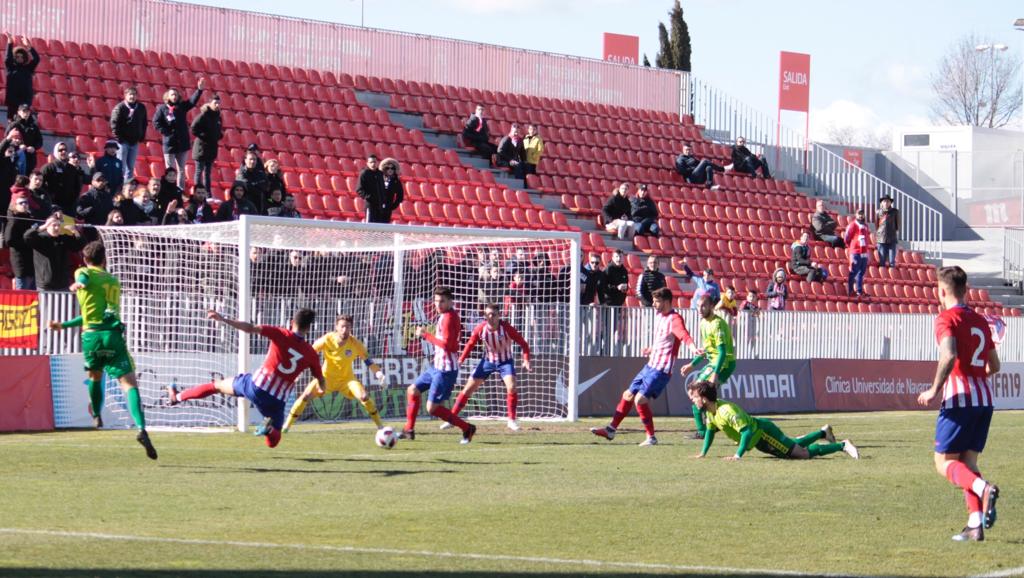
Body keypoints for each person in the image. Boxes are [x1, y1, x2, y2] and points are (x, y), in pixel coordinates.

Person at [46, 242, 158, 459]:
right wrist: (64, 324)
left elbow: (83, 281)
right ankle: (141, 428)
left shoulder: (84, 271)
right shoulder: (113, 280)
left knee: (95, 376)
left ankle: (96, 415)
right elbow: (100, 311)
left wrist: (77, 284)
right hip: (113, 335)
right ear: (104, 260)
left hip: (91, 337)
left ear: (85, 259)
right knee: (129, 384)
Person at [916, 266, 1001, 542]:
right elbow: (994, 366)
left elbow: (949, 355)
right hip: (984, 401)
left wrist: (933, 389)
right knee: (968, 461)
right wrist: (978, 376)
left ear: (941, 291)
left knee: (943, 462)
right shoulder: (979, 321)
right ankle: (975, 524)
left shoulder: (945, 318)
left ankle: (984, 489)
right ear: (966, 290)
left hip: (959, 401)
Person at [168, 308, 325, 448]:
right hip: (276, 400)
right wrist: (320, 389)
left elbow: (250, 328)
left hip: (255, 387)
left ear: (292, 322)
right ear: (309, 328)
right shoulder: (311, 354)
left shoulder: (280, 333)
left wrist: (223, 319)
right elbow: (320, 380)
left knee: (216, 386)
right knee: (274, 441)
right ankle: (269, 429)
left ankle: (177, 397)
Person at [591, 287, 695, 446]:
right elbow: (664, 340)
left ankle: (651, 437)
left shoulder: (675, 319)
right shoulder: (660, 315)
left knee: (640, 399)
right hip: (650, 366)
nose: (653, 304)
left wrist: (693, 348)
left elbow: (683, 335)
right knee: (628, 395)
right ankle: (611, 430)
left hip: (661, 369)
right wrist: (652, 349)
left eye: (656, 301)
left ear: (666, 301)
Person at [688, 380, 858, 460]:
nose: (693, 400)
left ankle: (842, 445)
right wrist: (703, 453)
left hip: (764, 434)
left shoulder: (726, 411)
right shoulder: (711, 411)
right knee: (793, 444)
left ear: (704, 398)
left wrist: (737, 455)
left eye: (695, 397)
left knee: (801, 454)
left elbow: (746, 431)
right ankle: (823, 432)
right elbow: (710, 431)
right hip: (759, 440)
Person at [283, 314, 387, 432]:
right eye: (342, 326)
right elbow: (309, 353)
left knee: (364, 397)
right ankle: (286, 426)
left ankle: (380, 427)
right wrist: (298, 370)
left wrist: (379, 374)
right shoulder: (327, 339)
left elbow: (368, 361)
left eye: (348, 327)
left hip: (347, 380)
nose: (345, 330)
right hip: (325, 379)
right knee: (305, 396)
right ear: (336, 327)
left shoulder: (355, 344)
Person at [400, 287, 476, 443]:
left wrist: (425, 334)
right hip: (437, 366)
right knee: (412, 390)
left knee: (432, 408)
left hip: (445, 370)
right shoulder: (446, 315)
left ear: (450, 302)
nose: (438, 304)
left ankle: (467, 428)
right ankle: (408, 430)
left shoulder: (448, 318)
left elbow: (448, 346)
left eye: (442, 301)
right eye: (436, 301)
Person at [444, 303, 530, 432]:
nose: (490, 317)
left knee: (511, 386)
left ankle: (511, 420)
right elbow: (470, 344)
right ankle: (451, 418)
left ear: (499, 315)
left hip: (505, 362)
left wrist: (526, 359)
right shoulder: (481, 329)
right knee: (468, 388)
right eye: (487, 314)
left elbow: (523, 344)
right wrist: (461, 359)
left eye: (493, 315)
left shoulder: (506, 328)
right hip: (487, 361)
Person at [680, 293, 738, 438]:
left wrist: (715, 373)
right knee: (703, 398)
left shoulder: (717, 324)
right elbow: (708, 350)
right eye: (698, 306)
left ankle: (704, 431)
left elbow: (722, 352)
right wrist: (692, 365)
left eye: (703, 306)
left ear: (712, 306)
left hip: (724, 364)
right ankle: (714, 425)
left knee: (696, 394)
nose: (700, 309)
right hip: (714, 363)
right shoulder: (703, 323)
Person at [152, 76, 205, 188]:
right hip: (169, 143)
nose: (174, 96)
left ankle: (180, 190)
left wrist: (199, 90)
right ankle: (168, 188)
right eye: (172, 94)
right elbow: (156, 122)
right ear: (168, 96)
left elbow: (191, 102)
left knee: (181, 170)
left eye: (176, 94)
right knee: (170, 169)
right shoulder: (162, 109)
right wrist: (166, 132)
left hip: (182, 143)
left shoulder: (181, 107)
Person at [24, 214, 84, 291]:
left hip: (63, 283)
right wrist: (43, 226)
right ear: (47, 226)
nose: (57, 228)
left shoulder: (63, 238)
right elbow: (27, 236)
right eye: (54, 225)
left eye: (59, 225)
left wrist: (75, 231)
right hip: (45, 284)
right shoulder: (40, 238)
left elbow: (79, 245)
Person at [110, 86, 148, 185]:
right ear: (125, 96)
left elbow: (144, 123)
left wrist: (141, 136)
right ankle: (118, 186)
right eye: (130, 94)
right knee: (120, 166)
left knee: (130, 167)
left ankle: (127, 187)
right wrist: (119, 138)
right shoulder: (120, 107)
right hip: (123, 142)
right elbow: (114, 123)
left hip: (134, 142)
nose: (132, 96)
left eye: (134, 94)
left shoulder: (141, 107)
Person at [190, 94, 223, 192]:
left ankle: (207, 194)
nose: (217, 105)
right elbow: (193, 128)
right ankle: (197, 192)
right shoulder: (203, 115)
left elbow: (218, 130)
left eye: (219, 103)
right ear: (210, 103)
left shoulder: (218, 117)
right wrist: (204, 136)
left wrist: (219, 135)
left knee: (208, 173)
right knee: (199, 171)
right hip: (201, 148)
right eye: (215, 103)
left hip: (212, 149)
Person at [40, 142, 82, 215]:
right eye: (60, 150)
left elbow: (77, 187)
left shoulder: (72, 169)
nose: (64, 151)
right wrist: (49, 197)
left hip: (69, 207)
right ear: (56, 152)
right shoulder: (48, 167)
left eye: (65, 149)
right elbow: (40, 184)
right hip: (53, 205)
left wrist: (73, 200)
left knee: (68, 226)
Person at [4, 36, 40, 121]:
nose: (20, 58)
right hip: (12, 101)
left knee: (24, 123)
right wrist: (10, 43)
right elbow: (7, 58)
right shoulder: (11, 67)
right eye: (17, 56)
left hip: (25, 101)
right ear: (14, 57)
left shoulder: (28, 68)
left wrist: (29, 47)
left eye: (22, 57)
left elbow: (36, 59)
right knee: (12, 123)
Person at [4, 196, 35, 289]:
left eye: (26, 202)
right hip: (20, 260)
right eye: (21, 203)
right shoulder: (14, 220)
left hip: (32, 261)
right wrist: (27, 242)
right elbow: (9, 240)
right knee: (22, 293)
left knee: (33, 297)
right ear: (15, 206)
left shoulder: (30, 218)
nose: (24, 204)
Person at [845, 208, 871, 298]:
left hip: (864, 252)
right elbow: (846, 237)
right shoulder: (852, 225)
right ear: (856, 215)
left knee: (861, 273)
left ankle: (859, 291)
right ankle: (851, 291)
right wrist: (852, 246)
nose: (861, 215)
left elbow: (867, 238)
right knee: (853, 271)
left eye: (862, 214)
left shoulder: (866, 226)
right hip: (855, 252)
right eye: (859, 214)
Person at [368, 157, 403, 224]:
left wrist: (392, 206)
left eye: (392, 168)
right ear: (384, 169)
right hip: (375, 207)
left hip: (387, 209)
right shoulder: (377, 179)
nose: (390, 170)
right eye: (387, 168)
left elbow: (400, 196)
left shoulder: (396, 181)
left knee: (384, 226)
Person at [356, 154, 386, 223]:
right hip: (370, 205)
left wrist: (383, 199)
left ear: (377, 163)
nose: (373, 164)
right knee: (369, 225)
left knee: (379, 226)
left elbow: (382, 188)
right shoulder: (364, 173)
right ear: (367, 163)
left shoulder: (380, 174)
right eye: (371, 162)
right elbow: (359, 189)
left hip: (380, 206)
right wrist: (369, 197)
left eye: (374, 162)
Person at [876, 195, 900, 268]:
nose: (886, 203)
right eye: (884, 201)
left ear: (890, 203)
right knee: (882, 260)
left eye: (888, 201)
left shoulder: (895, 212)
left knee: (892, 261)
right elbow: (876, 224)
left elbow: (897, 224)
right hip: (881, 238)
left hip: (892, 238)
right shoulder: (878, 212)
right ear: (881, 203)